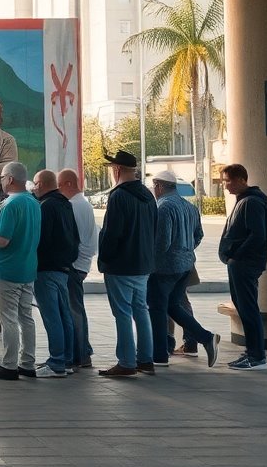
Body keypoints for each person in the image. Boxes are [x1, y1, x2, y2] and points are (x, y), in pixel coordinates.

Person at [149, 170, 220, 368]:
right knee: (173, 306)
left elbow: (162, 242)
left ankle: (160, 355)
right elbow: (198, 235)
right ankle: (206, 338)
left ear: (159, 186)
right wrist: (185, 251)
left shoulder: (163, 207)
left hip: (164, 268)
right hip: (185, 266)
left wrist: (151, 264)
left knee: (156, 308)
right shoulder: (189, 207)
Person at [96, 150, 157, 378]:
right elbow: (154, 230)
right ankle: (146, 359)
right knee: (141, 310)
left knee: (122, 313)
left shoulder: (118, 196)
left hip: (121, 265)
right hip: (143, 264)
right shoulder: (148, 195)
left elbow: (112, 233)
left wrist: (105, 259)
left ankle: (126, 361)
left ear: (117, 170)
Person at [0, 162, 41, 381]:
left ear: (9, 179)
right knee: (26, 317)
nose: (0, 181)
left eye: (1, 177)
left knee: (8, 318)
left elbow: (2, 240)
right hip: (28, 267)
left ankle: (9, 365)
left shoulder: (9, 205)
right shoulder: (34, 203)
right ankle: (27, 363)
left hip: (8, 269)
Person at [219, 163, 267, 371]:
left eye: (228, 181)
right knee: (244, 309)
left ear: (242, 179)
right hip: (240, 264)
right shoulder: (245, 201)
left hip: (245, 265)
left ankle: (257, 357)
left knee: (249, 310)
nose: (226, 186)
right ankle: (251, 353)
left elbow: (258, 235)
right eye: (224, 181)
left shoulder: (252, 202)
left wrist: (236, 256)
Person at [32, 169, 80, 379]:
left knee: (52, 316)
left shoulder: (45, 206)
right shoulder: (65, 204)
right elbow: (75, 236)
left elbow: (40, 238)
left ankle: (57, 362)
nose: (33, 187)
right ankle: (66, 359)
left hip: (47, 268)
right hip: (64, 267)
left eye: (34, 183)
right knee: (64, 315)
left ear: (41, 184)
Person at [57, 168, 97, 370]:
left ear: (69, 184)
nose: (58, 189)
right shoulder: (85, 204)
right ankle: (84, 350)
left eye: (59, 185)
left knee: (74, 311)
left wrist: (72, 262)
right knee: (76, 308)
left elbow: (73, 238)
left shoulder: (72, 206)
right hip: (81, 264)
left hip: (73, 265)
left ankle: (79, 356)